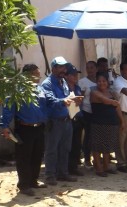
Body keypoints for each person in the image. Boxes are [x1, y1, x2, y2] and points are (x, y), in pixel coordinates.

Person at [0, 64, 48, 195]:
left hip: (39, 128)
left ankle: (33, 181)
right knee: (24, 157)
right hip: (25, 129)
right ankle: (24, 185)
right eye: (37, 74)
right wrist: (4, 126)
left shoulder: (40, 89)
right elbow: (8, 108)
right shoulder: (17, 90)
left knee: (37, 156)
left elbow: (49, 102)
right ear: (28, 75)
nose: (39, 76)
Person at [42, 56, 83, 185]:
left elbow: (67, 97)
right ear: (53, 68)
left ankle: (63, 173)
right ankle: (49, 175)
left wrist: (74, 99)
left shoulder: (63, 82)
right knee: (52, 149)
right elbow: (50, 100)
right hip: (54, 121)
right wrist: (63, 101)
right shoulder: (47, 83)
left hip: (66, 120)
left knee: (65, 148)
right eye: (60, 67)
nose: (63, 70)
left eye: (64, 67)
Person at [90, 72, 125, 176]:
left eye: (104, 81)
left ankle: (106, 166)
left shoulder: (112, 93)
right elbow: (104, 100)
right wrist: (112, 102)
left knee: (107, 146)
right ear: (96, 82)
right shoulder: (94, 92)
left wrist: (122, 121)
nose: (101, 83)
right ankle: (99, 168)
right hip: (98, 123)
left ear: (107, 82)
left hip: (112, 123)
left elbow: (118, 108)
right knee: (97, 146)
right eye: (99, 81)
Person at [65, 64, 85, 177]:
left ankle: (74, 167)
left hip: (77, 117)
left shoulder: (77, 87)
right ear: (67, 76)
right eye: (73, 75)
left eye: (76, 74)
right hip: (68, 118)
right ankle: (66, 168)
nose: (75, 76)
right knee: (67, 144)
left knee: (76, 144)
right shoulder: (63, 87)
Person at [78, 60, 98, 167]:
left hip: (98, 112)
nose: (89, 70)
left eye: (92, 67)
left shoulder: (100, 81)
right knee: (88, 136)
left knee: (96, 136)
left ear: (96, 69)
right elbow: (80, 98)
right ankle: (87, 159)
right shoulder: (83, 82)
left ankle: (97, 159)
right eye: (88, 68)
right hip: (86, 112)